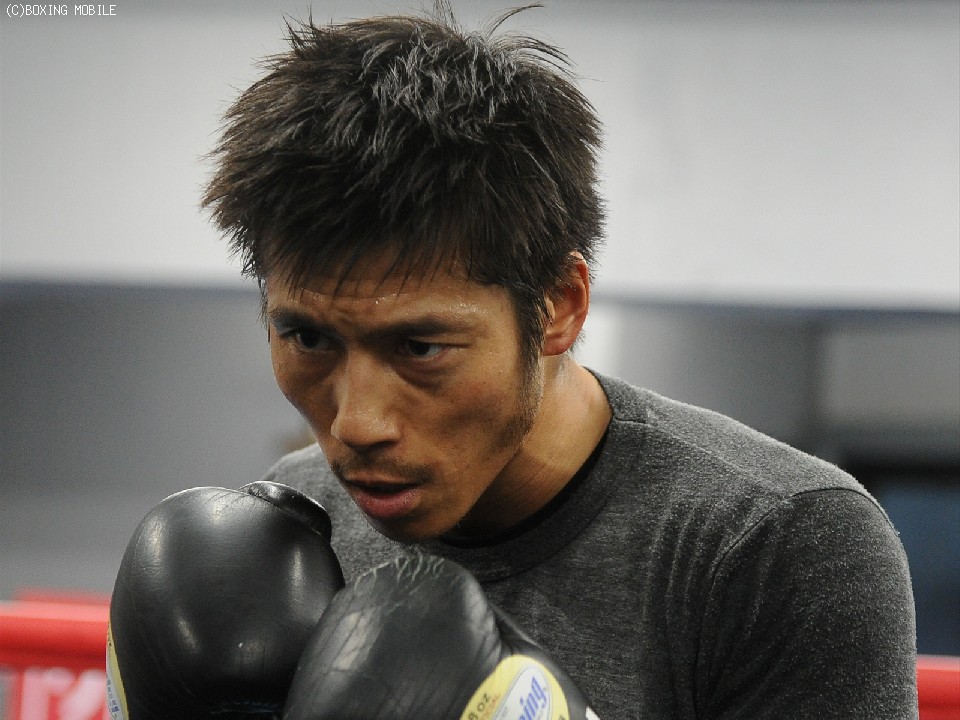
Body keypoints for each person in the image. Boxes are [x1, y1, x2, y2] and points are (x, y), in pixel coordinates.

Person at [201, 3, 917, 717]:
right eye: (309, 339)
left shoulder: (775, 544)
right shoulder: (301, 523)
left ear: (559, 305)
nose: (357, 424)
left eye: (419, 348)